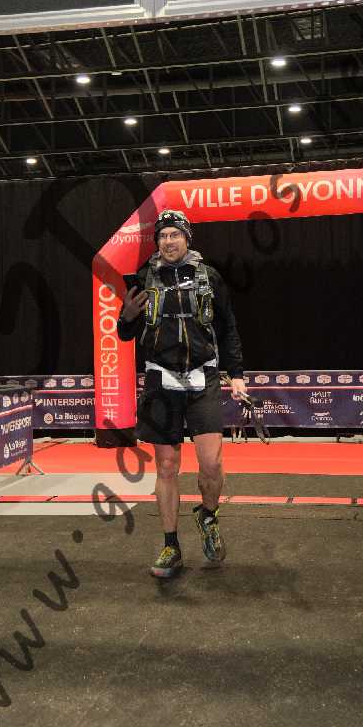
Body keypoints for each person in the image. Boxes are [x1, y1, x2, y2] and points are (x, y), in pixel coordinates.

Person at [117, 210, 247, 579]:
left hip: (203, 378)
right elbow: (124, 334)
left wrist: (237, 374)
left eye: (175, 234)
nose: (168, 241)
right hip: (161, 384)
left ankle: (208, 515)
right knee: (166, 467)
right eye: (163, 235)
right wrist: (127, 316)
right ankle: (170, 545)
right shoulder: (143, 278)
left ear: (187, 238)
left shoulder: (210, 276)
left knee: (211, 464)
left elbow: (228, 327)